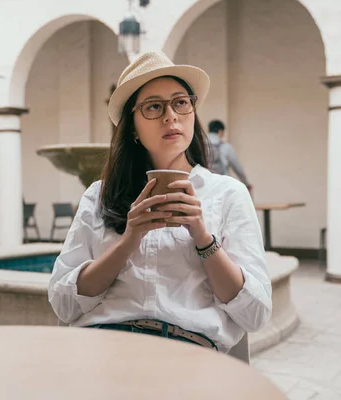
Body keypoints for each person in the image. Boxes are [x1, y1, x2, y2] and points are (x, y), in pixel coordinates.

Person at [48, 51, 271, 353]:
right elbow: (63, 302)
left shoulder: (228, 193)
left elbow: (256, 313)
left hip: (190, 353)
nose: (171, 115)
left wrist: (203, 238)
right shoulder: (99, 195)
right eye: (154, 106)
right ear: (134, 128)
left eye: (181, 102)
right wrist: (129, 240)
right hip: (107, 346)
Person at [207, 120, 253, 192]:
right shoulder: (226, 147)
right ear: (220, 131)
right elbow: (238, 168)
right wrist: (246, 184)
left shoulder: (200, 146)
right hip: (222, 187)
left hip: (205, 187)